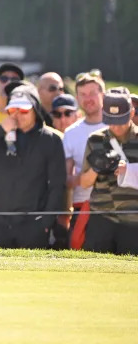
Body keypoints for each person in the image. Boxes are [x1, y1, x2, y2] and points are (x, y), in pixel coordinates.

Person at [0, 85, 66, 249]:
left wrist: (45, 222)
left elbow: (58, 185)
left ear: (35, 110)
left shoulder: (51, 140)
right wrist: (0, 130)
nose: (17, 115)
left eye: (23, 111)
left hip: (32, 224)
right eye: (12, 110)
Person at [79, 91, 138, 255]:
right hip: (102, 218)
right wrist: (96, 168)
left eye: (121, 121)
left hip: (133, 220)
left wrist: (130, 170)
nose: (116, 127)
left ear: (132, 113)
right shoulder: (95, 140)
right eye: (111, 121)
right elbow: (84, 183)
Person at [62, 71, 106, 249]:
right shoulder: (71, 133)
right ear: (77, 98)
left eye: (93, 93)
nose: (88, 99)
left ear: (103, 94)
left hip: (115, 207)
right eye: (83, 94)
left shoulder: (118, 126)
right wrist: (87, 176)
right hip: (81, 207)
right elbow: (66, 180)